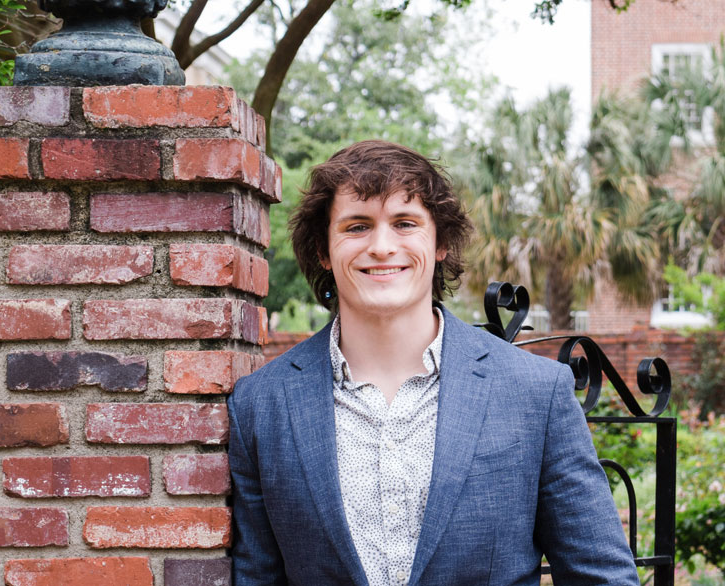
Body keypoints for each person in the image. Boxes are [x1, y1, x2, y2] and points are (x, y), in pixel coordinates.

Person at [228, 140, 640, 586]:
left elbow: (601, 577)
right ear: (324, 251)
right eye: (357, 226)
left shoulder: (535, 392)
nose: (383, 246)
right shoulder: (260, 405)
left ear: (440, 242)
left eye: (405, 223)